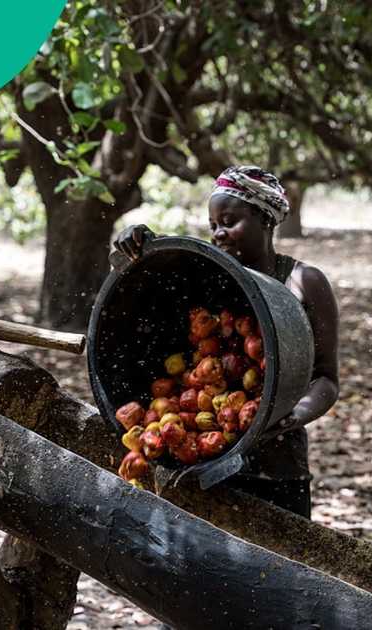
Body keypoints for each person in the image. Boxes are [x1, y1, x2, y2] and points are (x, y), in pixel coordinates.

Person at [113, 165, 339, 519]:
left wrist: (291, 415)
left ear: (265, 219)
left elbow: (326, 379)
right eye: (213, 225)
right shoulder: (208, 274)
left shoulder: (304, 282)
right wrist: (140, 243)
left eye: (230, 222)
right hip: (203, 464)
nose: (219, 233)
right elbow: (158, 273)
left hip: (277, 467)